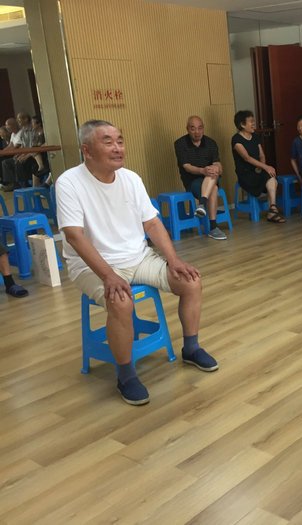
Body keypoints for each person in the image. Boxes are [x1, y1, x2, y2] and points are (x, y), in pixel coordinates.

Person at [56, 120, 218, 406]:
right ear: (87, 150)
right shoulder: (69, 182)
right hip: (92, 266)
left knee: (191, 281)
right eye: (108, 142)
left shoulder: (131, 179)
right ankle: (126, 375)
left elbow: (152, 223)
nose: (118, 148)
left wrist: (173, 260)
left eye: (120, 141)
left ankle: (191, 348)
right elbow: (74, 236)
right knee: (121, 302)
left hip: (138, 257)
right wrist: (108, 275)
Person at [174, 116, 227, 240]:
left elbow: (218, 163)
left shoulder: (211, 143)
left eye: (200, 128)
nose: (197, 132)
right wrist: (203, 170)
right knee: (213, 188)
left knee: (214, 172)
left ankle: (202, 204)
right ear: (187, 129)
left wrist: (216, 168)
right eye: (193, 129)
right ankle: (213, 227)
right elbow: (187, 167)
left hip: (211, 177)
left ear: (203, 128)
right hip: (192, 181)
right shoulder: (180, 143)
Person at [231, 110, 285, 223]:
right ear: (242, 124)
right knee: (268, 173)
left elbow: (262, 155)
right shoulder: (236, 139)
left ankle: (272, 209)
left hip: (258, 170)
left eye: (253, 121)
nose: (254, 124)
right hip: (245, 174)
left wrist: (262, 167)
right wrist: (265, 167)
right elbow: (247, 158)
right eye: (251, 121)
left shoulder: (255, 137)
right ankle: (272, 211)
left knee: (271, 177)